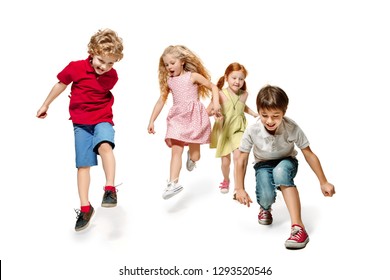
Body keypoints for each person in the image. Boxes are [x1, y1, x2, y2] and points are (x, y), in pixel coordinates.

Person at [36, 28, 124, 231]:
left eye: (110, 63)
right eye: (101, 60)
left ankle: (110, 189)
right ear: (92, 52)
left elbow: (101, 92)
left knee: (104, 146)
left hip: (102, 119)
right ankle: (85, 207)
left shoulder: (112, 76)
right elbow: (60, 84)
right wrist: (45, 104)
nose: (105, 67)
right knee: (83, 165)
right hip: (81, 124)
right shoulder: (75, 68)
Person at [234, 85, 335, 249]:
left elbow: (308, 153)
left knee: (280, 173)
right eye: (264, 115)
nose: (269, 120)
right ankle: (265, 207)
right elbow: (241, 159)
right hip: (263, 165)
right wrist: (239, 188)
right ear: (258, 111)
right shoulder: (252, 130)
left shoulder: (291, 127)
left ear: (284, 112)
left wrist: (323, 181)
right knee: (266, 196)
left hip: (286, 161)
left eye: (276, 116)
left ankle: (298, 228)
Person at [148, 45, 221, 200]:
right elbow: (161, 100)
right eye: (166, 64)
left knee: (196, 156)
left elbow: (213, 86)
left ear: (182, 61)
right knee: (176, 150)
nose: (169, 67)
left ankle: (192, 158)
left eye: (172, 63)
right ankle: (172, 184)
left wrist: (215, 104)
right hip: (178, 118)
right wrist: (152, 120)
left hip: (194, 118)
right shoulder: (169, 81)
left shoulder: (192, 76)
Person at [208, 62, 258, 194]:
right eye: (234, 78)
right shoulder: (220, 94)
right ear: (226, 77)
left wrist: (253, 113)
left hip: (239, 129)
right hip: (224, 130)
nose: (237, 81)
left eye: (241, 79)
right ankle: (226, 179)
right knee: (225, 162)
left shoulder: (244, 94)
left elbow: (241, 106)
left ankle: (238, 187)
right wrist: (215, 113)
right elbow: (210, 110)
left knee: (238, 157)